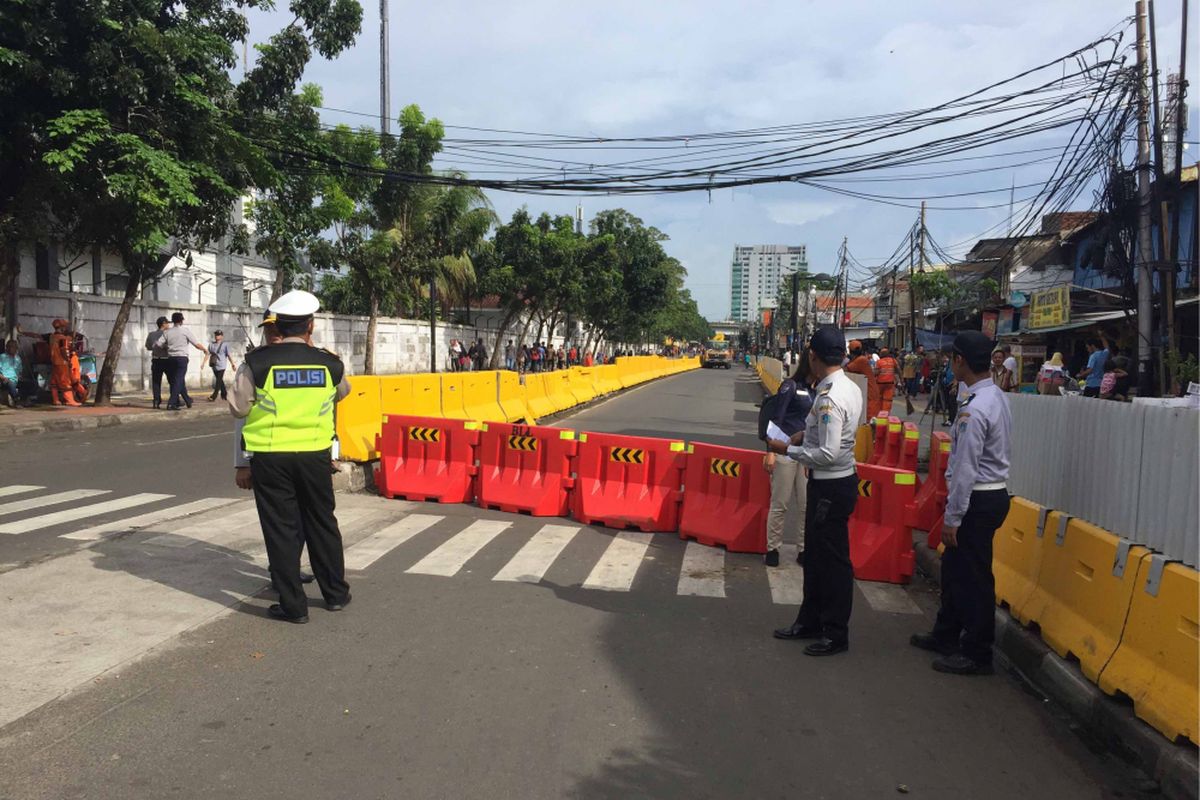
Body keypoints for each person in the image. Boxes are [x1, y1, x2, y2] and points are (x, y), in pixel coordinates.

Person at [228, 290, 352, 624]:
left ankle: (293, 607)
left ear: (276, 325)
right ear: (311, 326)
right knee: (322, 522)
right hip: (315, 453)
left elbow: (238, 407)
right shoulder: (329, 362)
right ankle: (336, 594)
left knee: (281, 528)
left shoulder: (256, 362)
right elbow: (343, 393)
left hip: (270, 456)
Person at [911, 331, 1012, 675]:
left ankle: (977, 652)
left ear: (960, 361)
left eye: (952, 358)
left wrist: (953, 518)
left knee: (973, 578)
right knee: (955, 570)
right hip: (989, 495)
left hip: (978, 499)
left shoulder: (975, 408)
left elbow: (967, 467)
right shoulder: (992, 396)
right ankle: (946, 634)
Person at [767, 326, 862, 657]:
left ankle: (835, 632)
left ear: (813, 356)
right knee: (818, 559)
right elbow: (823, 438)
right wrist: (801, 438)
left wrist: (786, 449)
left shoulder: (829, 397)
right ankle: (810, 620)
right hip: (835, 480)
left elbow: (828, 453)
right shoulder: (847, 388)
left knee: (832, 561)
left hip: (831, 482)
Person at [762, 353, 814, 568]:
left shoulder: (819, 391)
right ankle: (773, 548)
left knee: (805, 505)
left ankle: (803, 549)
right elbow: (776, 418)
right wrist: (771, 451)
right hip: (784, 450)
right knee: (780, 503)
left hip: (808, 453)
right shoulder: (790, 386)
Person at [163, 312, 206, 410]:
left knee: (178, 380)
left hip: (171, 358)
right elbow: (196, 344)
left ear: (173, 321)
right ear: (181, 321)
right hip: (182, 358)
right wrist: (205, 349)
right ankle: (172, 403)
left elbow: (158, 344)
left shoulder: (167, 332)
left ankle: (187, 400)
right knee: (178, 380)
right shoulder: (185, 331)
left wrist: (169, 347)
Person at [48, 319, 83, 406]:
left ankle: (55, 400)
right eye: (65, 327)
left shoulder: (52, 337)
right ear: (62, 328)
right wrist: (68, 361)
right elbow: (64, 350)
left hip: (54, 362)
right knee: (65, 383)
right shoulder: (62, 339)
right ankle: (70, 401)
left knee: (54, 382)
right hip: (62, 363)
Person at [845, 340, 880, 419]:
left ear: (850, 351)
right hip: (868, 392)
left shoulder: (860, 360)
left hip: (870, 393)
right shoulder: (860, 359)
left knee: (870, 419)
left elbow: (845, 370)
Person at [145, 316, 171, 409]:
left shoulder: (151, 334)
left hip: (156, 359)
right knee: (172, 381)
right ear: (163, 324)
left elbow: (148, 347)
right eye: (167, 323)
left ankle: (156, 401)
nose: (169, 325)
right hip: (167, 360)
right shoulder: (168, 334)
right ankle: (174, 400)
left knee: (156, 382)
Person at [203, 330, 236, 402]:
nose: (216, 336)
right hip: (214, 365)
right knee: (220, 381)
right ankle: (225, 395)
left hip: (222, 366)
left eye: (218, 335)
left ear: (221, 336)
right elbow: (208, 354)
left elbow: (229, 355)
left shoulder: (225, 345)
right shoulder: (211, 344)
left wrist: (232, 364)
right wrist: (203, 363)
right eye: (216, 335)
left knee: (218, 382)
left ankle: (213, 396)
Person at [0, 340, 23, 407]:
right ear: (6, 348)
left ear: (16, 348)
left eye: (13, 347)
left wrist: (20, 376)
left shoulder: (18, 358)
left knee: (32, 383)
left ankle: (27, 400)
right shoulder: (2, 357)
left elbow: (20, 371)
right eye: (9, 347)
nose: (11, 348)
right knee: (10, 383)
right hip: (4, 379)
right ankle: (16, 401)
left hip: (16, 379)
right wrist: (3, 378)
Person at [875, 346, 898, 414]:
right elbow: (898, 370)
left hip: (880, 383)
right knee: (887, 400)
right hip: (890, 383)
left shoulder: (879, 362)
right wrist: (901, 381)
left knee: (879, 398)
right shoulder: (893, 360)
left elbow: (876, 372)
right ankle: (886, 413)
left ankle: (879, 412)